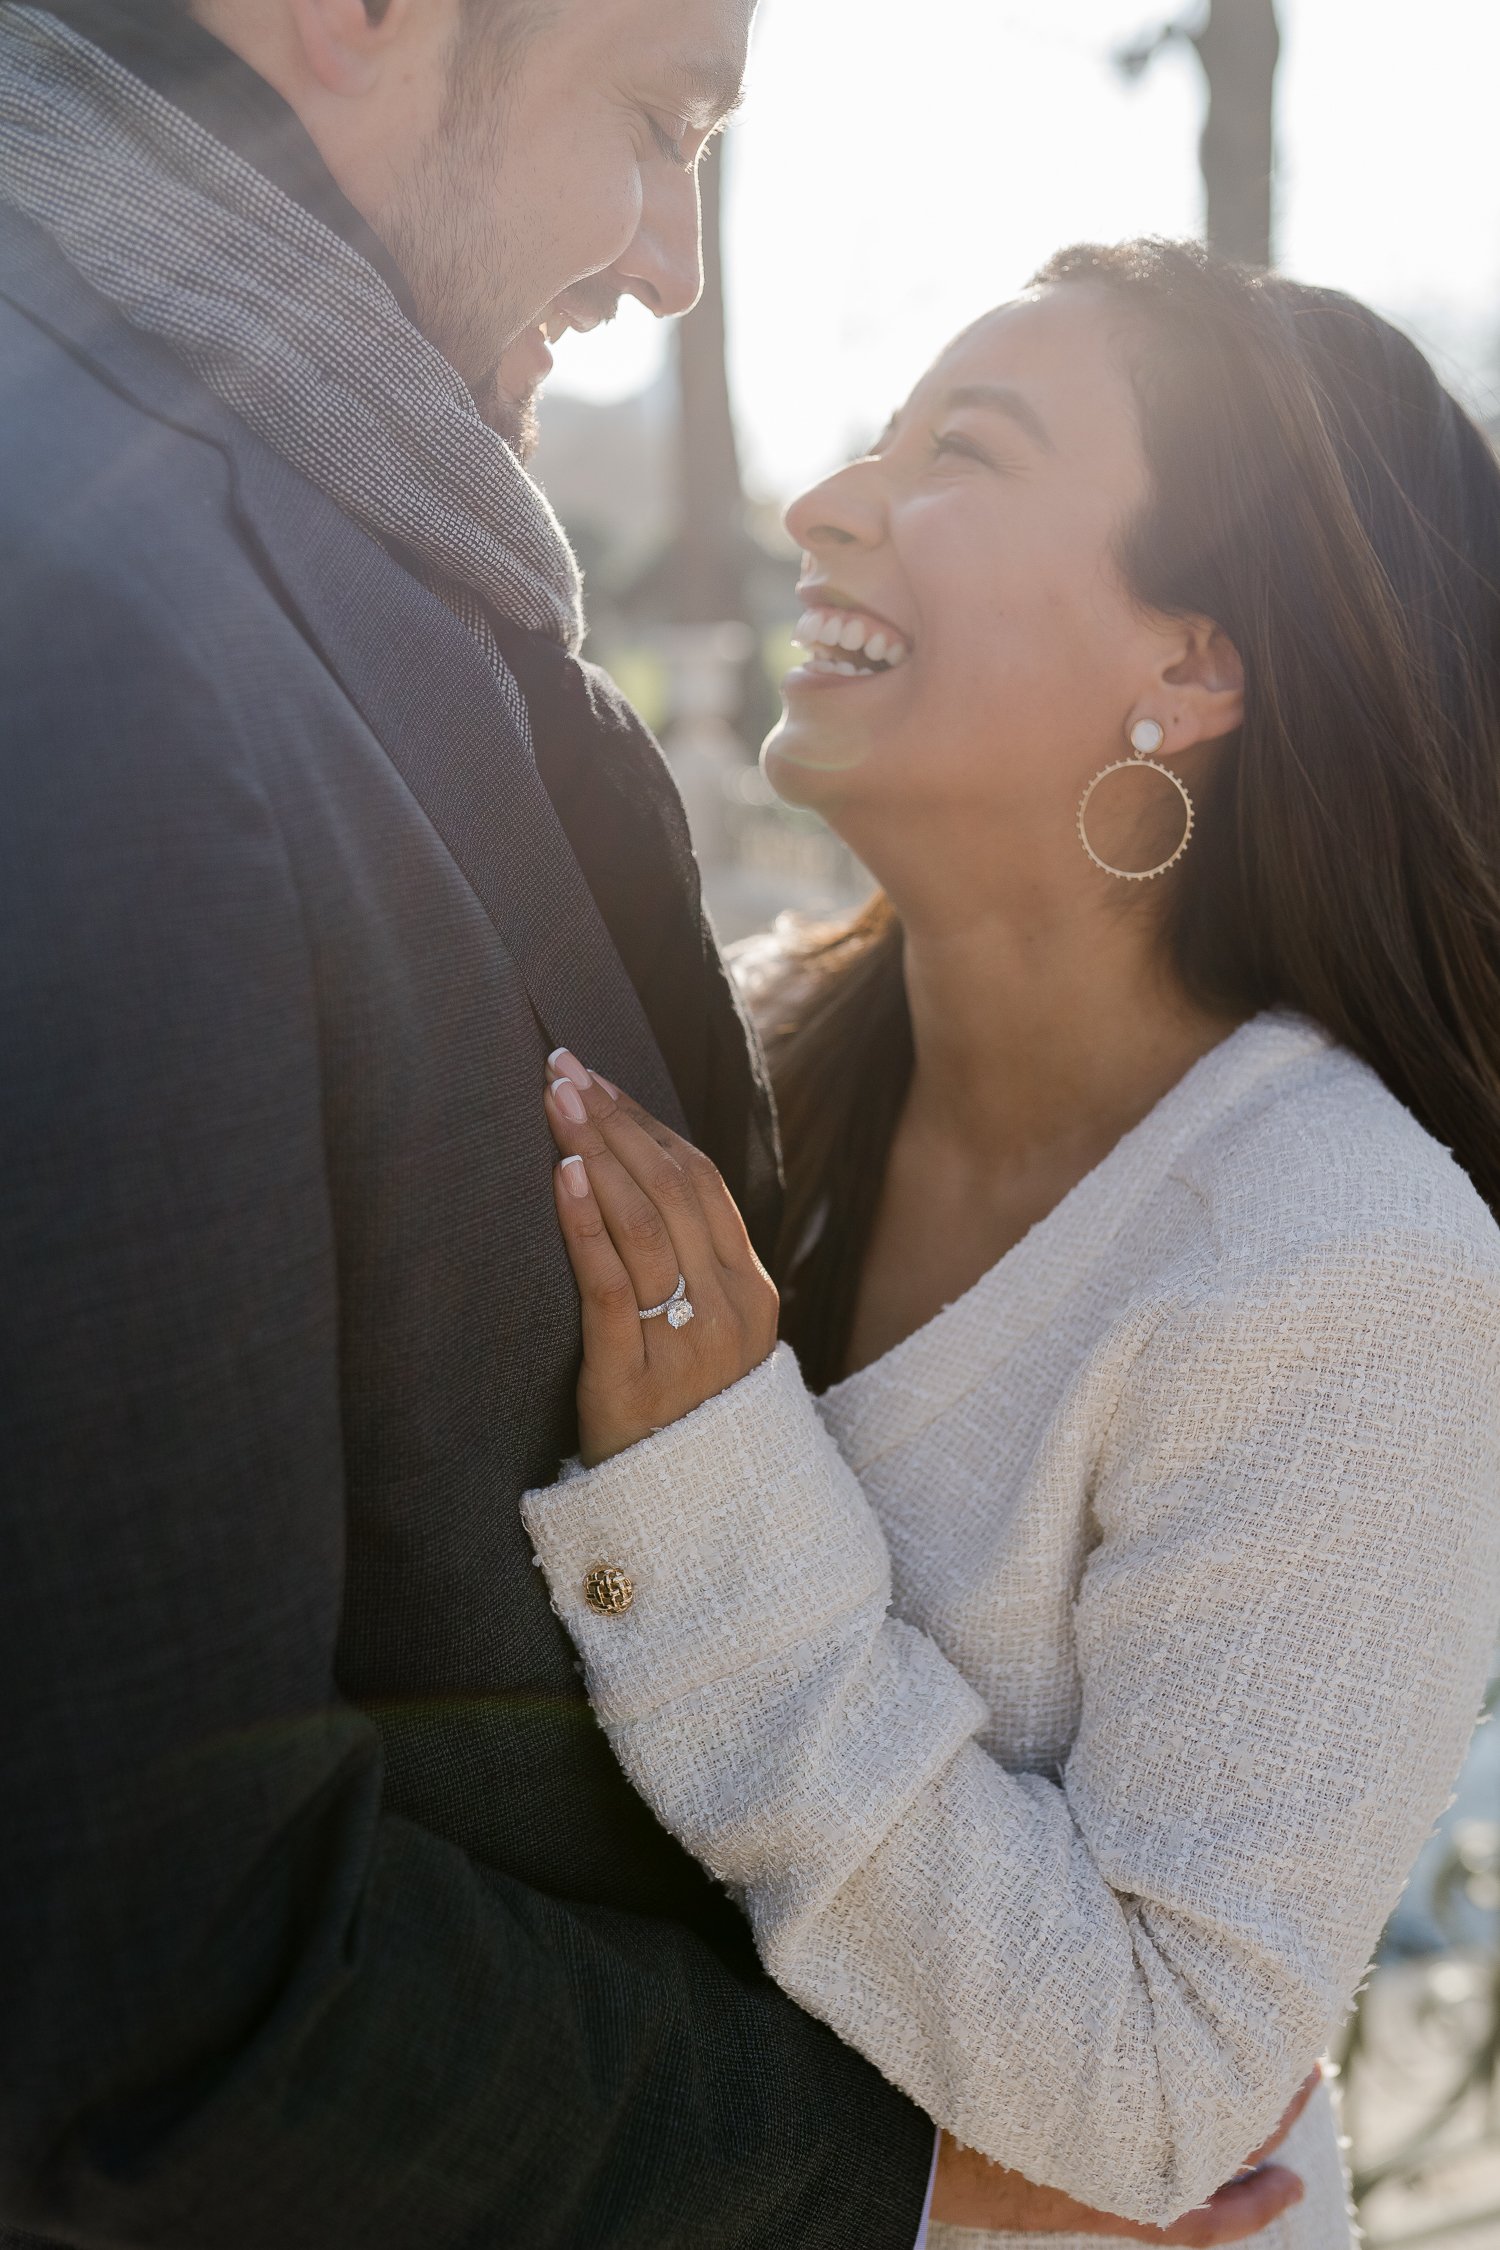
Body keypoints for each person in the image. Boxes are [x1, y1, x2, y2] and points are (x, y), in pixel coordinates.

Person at [0, 0, 1305, 2239]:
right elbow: (140, 1970)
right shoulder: (91, 625)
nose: (674, 266)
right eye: (654, 120)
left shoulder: (321, 531)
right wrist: (922, 2196)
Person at [525, 241, 1500, 2248]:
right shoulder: (749, 1053)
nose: (827, 505)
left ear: (1194, 666)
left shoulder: (1348, 1265)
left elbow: (1158, 2096)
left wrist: (713, 1509)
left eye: (960, 450)